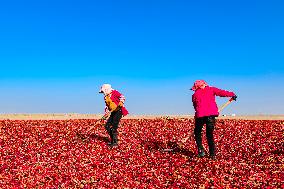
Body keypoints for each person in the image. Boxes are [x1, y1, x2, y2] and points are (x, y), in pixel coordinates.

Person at [191, 80, 237, 160]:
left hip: (200, 116)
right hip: (211, 115)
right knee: (209, 135)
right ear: (204, 84)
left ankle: (201, 150)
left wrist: (198, 114)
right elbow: (222, 93)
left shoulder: (194, 95)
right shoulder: (211, 89)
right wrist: (232, 94)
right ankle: (212, 154)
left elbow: (195, 107)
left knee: (197, 132)